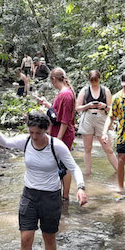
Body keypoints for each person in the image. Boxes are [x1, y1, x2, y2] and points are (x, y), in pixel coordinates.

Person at [0, 111, 87, 250]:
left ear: (46, 130)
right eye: (31, 132)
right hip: (29, 195)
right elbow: (7, 142)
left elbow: (73, 167)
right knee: (25, 238)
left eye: (38, 133)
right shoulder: (25, 141)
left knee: (49, 237)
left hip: (51, 197)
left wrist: (80, 188)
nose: (34, 136)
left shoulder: (56, 146)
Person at [35, 67, 76, 200]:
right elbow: (57, 113)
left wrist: (57, 140)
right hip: (58, 133)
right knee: (58, 164)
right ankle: (58, 194)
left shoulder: (65, 95)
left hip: (62, 134)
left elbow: (64, 120)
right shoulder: (64, 93)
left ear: (53, 79)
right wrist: (47, 105)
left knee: (64, 165)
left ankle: (65, 197)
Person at [76, 70, 119, 174]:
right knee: (87, 148)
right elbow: (77, 107)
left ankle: (119, 171)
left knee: (108, 148)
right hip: (88, 118)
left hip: (102, 119)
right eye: (92, 81)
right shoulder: (85, 90)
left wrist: (104, 106)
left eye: (95, 81)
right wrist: (88, 105)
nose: (94, 83)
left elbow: (111, 109)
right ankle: (87, 172)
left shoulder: (105, 91)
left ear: (99, 79)